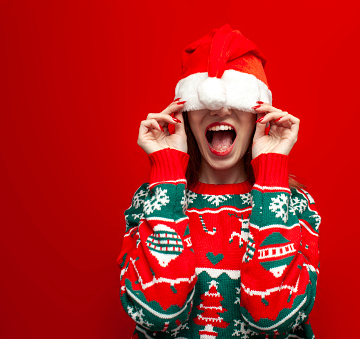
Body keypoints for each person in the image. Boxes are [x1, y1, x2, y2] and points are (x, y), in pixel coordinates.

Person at [117, 24, 321, 339]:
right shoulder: (150, 201)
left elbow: (273, 318)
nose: (220, 108)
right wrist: (168, 172)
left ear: (258, 114)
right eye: (204, 103)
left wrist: (271, 172)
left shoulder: (293, 203)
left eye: (237, 101)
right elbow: (157, 313)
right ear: (185, 114)